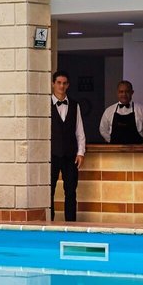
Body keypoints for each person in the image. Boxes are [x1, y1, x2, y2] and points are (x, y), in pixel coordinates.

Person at [50, 70, 85, 222]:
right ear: (53, 84)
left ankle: (71, 224)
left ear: (68, 85)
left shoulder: (75, 105)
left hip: (70, 155)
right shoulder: (44, 104)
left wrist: (81, 152)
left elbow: (79, 130)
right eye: (58, 83)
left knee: (71, 192)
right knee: (48, 191)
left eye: (64, 83)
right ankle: (48, 223)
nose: (61, 86)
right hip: (50, 155)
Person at [99, 80, 143, 144]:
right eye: (121, 92)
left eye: (127, 91)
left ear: (132, 92)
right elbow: (103, 129)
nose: (124, 94)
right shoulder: (109, 111)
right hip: (115, 149)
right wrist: (112, 141)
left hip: (137, 149)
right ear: (117, 93)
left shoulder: (142, 110)